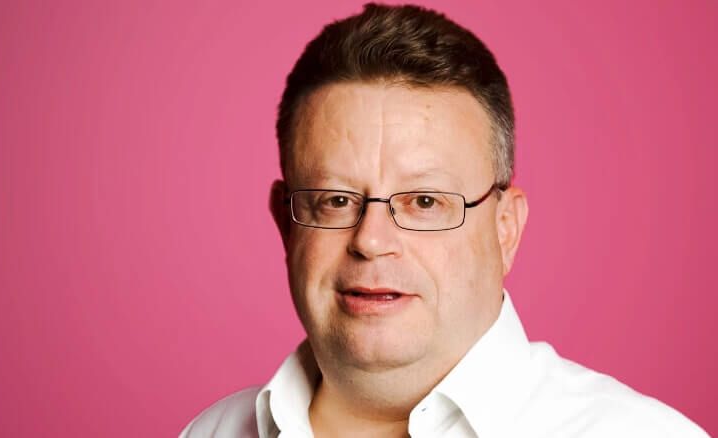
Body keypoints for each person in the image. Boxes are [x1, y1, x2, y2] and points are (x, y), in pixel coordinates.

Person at [180, 3, 709, 437]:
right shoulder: (212, 433)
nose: (371, 240)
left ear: (506, 229)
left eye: (425, 202)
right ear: (286, 225)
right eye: (336, 201)